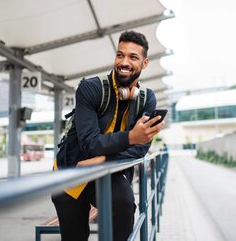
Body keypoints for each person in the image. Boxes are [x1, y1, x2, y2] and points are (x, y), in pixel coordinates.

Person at [52, 30, 165, 241]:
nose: (124, 62)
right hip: (72, 171)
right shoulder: (90, 89)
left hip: (107, 170)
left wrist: (105, 159)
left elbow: (141, 148)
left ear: (145, 62)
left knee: (124, 203)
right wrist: (131, 137)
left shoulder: (147, 99)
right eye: (120, 55)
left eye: (133, 57)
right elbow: (89, 144)